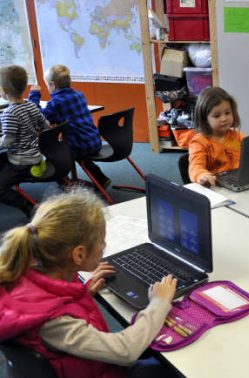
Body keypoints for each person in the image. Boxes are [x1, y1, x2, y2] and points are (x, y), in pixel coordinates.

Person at [0, 189, 178, 378]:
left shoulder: (28, 267)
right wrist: (159, 302)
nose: (104, 245)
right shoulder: (54, 323)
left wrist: (82, 294)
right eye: (102, 241)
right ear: (78, 255)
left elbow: (49, 299)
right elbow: (125, 350)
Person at [28, 65, 110, 188]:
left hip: (80, 147)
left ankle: (64, 183)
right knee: (73, 141)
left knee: (53, 150)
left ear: (52, 85)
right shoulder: (79, 95)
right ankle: (100, 178)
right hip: (94, 141)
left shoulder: (56, 103)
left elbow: (37, 118)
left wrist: (34, 95)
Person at [0, 64, 49, 216]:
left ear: (4, 91)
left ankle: (29, 206)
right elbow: (46, 126)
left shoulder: (9, 113)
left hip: (21, 161)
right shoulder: (31, 105)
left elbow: (7, 143)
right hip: (36, 155)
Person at [188, 86, 244, 187]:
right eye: (217, 116)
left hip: (239, 183)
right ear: (205, 119)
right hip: (215, 187)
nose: (224, 119)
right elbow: (195, 166)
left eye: (227, 113)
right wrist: (203, 175)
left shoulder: (237, 137)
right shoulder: (200, 142)